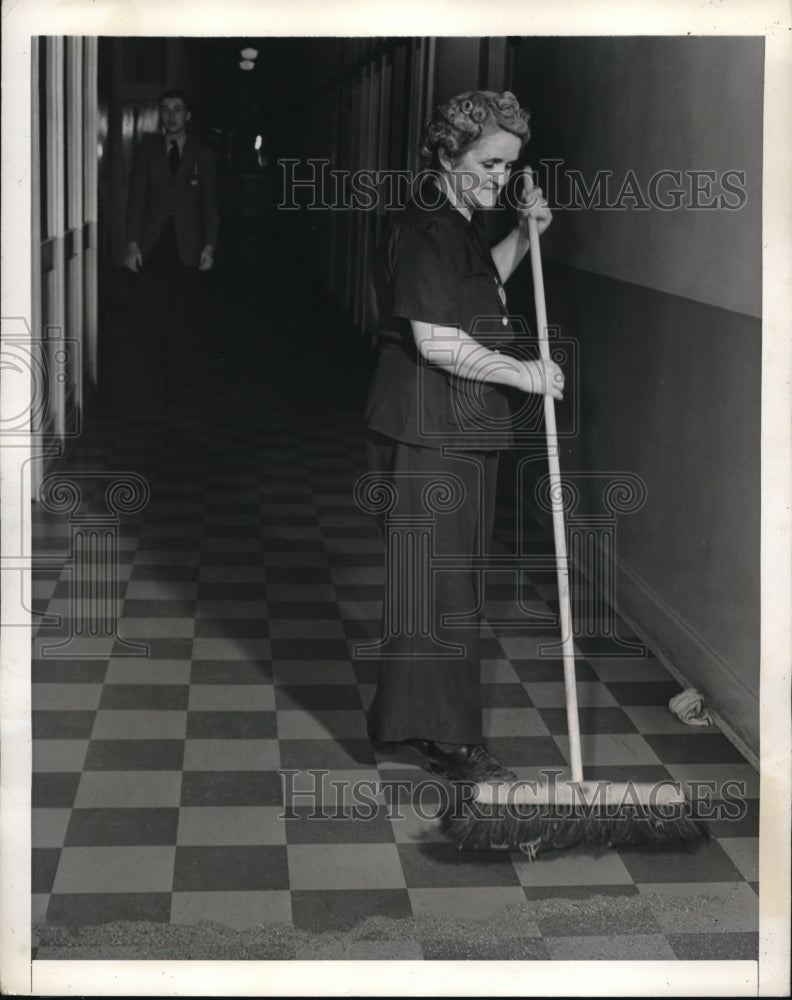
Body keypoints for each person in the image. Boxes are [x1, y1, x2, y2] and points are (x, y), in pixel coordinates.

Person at [363, 90, 562, 784]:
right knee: (444, 589)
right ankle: (453, 742)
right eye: (489, 163)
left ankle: (404, 723)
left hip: (457, 426)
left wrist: (525, 235)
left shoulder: (459, 222)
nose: (500, 181)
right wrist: (523, 372)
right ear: (449, 155)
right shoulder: (426, 228)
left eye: (510, 167)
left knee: (440, 585)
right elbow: (437, 339)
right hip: (430, 430)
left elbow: (483, 293)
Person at [124, 88, 219, 404]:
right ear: (160, 115)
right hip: (153, 246)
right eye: (166, 110)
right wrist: (132, 244)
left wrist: (209, 246)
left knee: (182, 316)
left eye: (178, 109)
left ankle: (175, 380)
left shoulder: (202, 155)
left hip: (187, 247)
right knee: (150, 315)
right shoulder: (147, 151)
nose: (172, 116)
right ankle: (161, 368)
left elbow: (210, 206)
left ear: (187, 116)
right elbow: (135, 200)